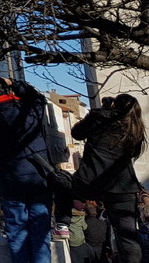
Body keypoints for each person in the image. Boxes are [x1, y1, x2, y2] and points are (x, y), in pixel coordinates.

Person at [0, 77, 54, 263]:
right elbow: (38, 98)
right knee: (41, 235)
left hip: (10, 182)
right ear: (9, 91)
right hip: (38, 178)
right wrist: (15, 83)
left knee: (17, 235)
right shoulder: (30, 110)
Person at [72, 92, 145, 262]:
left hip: (92, 182)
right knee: (128, 236)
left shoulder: (99, 119)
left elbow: (77, 133)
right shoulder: (134, 127)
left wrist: (102, 110)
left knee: (63, 192)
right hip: (123, 186)